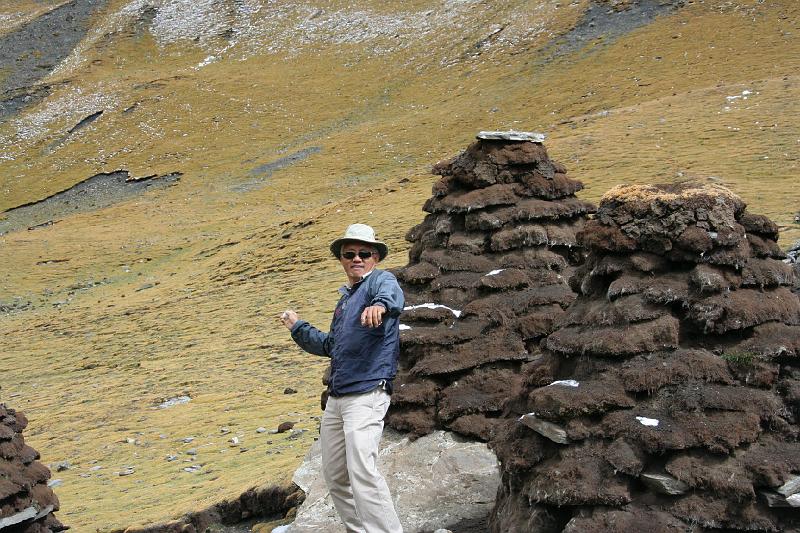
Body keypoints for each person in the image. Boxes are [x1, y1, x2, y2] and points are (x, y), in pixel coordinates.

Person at [280, 223, 404, 533]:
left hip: (367, 391)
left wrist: (379, 306)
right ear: (342, 259)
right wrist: (298, 327)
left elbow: (391, 297)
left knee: (362, 468)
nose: (357, 258)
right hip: (338, 397)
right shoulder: (345, 301)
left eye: (364, 253)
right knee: (335, 475)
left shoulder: (381, 281)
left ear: (375, 257)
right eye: (349, 254)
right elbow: (330, 346)